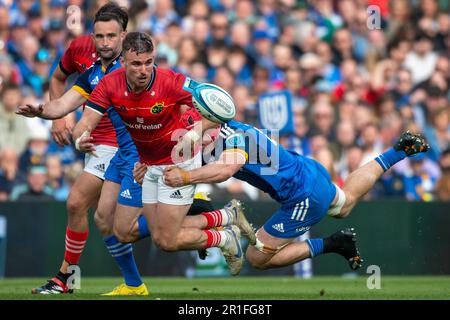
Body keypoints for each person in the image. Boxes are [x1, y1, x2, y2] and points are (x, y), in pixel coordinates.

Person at [71, 31, 255, 277]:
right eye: (136, 63)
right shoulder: (109, 83)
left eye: (148, 62)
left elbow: (221, 108)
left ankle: (222, 238)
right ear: (123, 62)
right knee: (124, 231)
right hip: (146, 164)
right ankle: (224, 217)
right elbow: (86, 122)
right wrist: (80, 139)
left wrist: (193, 133)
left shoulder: (171, 81)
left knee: (165, 240)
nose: (144, 69)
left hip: (177, 162)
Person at [158, 119, 429, 273]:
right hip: (308, 171)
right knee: (344, 205)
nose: (200, 138)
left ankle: (331, 244)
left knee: (256, 257)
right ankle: (398, 151)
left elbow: (225, 170)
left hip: (303, 196)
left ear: (214, 124)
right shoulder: (221, 129)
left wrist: (184, 178)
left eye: (203, 131)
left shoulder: (235, 138)